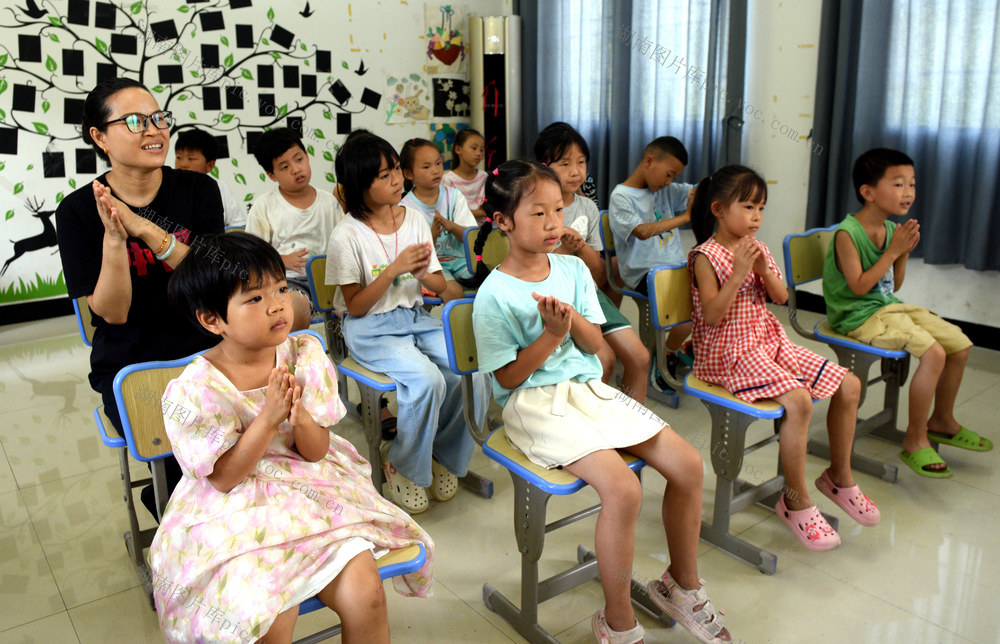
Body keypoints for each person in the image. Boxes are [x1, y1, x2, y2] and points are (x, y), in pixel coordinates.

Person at [472, 160, 731, 644]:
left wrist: (569, 322)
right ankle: (617, 623)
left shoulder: (570, 268)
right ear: (503, 222)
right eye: (538, 214)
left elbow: (597, 348)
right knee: (624, 490)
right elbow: (506, 378)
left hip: (588, 391)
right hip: (532, 403)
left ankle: (682, 585)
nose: (555, 224)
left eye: (558, 211)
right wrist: (551, 337)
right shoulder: (495, 293)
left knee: (690, 464)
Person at [150, 232, 432, 644]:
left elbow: (315, 453)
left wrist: (299, 417)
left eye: (280, 288)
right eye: (254, 299)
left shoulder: (304, 354)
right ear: (212, 320)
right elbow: (226, 479)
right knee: (268, 620)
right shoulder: (194, 390)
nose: (278, 304)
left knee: (366, 593)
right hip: (235, 507)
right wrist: (267, 419)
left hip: (313, 486)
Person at [56, 77, 224, 517]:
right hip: (132, 362)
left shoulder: (197, 189)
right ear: (99, 136)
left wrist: (143, 227)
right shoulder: (77, 211)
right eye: (134, 121)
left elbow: (212, 280)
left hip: (208, 348)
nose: (153, 130)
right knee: (194, 469)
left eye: (157, 118)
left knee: (244, 455)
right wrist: (114, 237)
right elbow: (111, 313)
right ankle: (172, 512)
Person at [688, 164, 879, 551]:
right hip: (727, 352)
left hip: (765, 341)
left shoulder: (758, 248)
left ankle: (838, 476)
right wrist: (740, 273)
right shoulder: (704, 256)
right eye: (748, 207)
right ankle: (795, 499)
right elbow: (711, 315)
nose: (756, 217)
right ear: (719, 209)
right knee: (799, 400)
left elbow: (781, 298)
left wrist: (760, 267)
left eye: (761, 208)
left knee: (850, 384)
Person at [325, 132, 489, 515]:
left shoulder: (414, 219)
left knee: (470, 372)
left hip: (414, 317)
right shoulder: (346, 235)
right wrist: (395, 269)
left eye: (396, 169)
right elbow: (356, 307)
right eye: (384, 176)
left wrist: (436, 281)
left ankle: (442, 456)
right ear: (359, 186)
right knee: (427, 380)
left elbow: (433, 282)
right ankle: (401, 464)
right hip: (368, 327)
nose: (397, 179)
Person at [823, 148, 991, 477]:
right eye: (898, 184)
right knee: (934, 354)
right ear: (868, 193)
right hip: (856, 316)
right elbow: (858, 287)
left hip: (886, 307)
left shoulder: (889, 228)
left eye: (912, 184)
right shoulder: (848, 233)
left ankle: (941, 419)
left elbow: (893, 286)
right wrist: (895, 251)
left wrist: (900, 254)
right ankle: (915, 439)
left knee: (960, 344)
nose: (909, 192)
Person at [533, 122, 651, 402]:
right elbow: (531, 269)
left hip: (587, 293)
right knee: (604, 361)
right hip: (549, 297)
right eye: (565, 163)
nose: (576, 171)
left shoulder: (587, 208)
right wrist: (563, 248)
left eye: (581, 162)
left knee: (640, 357)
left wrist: (581, 246)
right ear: (544, 166)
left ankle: (631, 430)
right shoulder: (531, 206)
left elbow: (599, 275)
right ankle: (587, 429)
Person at [609, 136, 697, 388]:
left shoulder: (666, 190)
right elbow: (641, 231)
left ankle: (674, 349)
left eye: (674, 177)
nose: (670, 182)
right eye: (668, 174)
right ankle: (663, 360)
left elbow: (695, 191)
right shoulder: (621, 196)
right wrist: (685, 217)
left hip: (675, 271)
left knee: (709, 301)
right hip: (644, 276)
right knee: (690, 313)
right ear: (649, 161)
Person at [246, 127, 343, 331]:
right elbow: (252, 257)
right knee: (292, 307)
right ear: (272, 175)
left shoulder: (329, 203)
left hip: (331, 280)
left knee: (356, 304)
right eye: (284, 167)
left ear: (307, 156)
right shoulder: (264, 207)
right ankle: (297, 355)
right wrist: (282, 260)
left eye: (299, 160)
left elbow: (345, 244)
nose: (296, 169)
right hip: (289, 282)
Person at [399, 137, 477, 302]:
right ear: (408, 173)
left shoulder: (454, 196)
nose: (435, 170)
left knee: (493, 279)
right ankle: (457, 327)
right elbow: (412, 256)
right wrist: (432, 236)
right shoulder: (406, 208)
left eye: (438, 163)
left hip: (462, 262)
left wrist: (451, 226)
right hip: (433, 268)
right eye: (427, 167)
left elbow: (472, 237)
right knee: (454, 293)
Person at [173, 127, 246, 227]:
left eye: (191, 159)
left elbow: (238, 224)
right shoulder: (169, 186)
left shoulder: (220, 187)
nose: (183, 164)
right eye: (179, 157)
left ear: (210, 165)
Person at [440, 128, 488, 222]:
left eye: (482, 150)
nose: (478, 153)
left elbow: (488, 206)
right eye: (474, 148)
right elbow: (452, 213)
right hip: (459, 232)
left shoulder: (484, 177)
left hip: (483, 231)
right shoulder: (448, 180)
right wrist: (483, 213)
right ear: (458, 149)